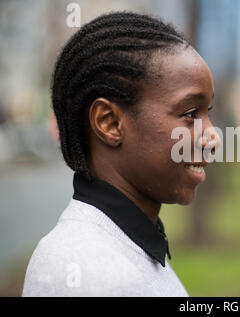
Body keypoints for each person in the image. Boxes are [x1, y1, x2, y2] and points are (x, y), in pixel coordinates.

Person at [22, 11, 220, 296]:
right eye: (190, 113)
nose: (213, 137)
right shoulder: (79, 269)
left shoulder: (132, 244)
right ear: (110, 123)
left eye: (207, 112)